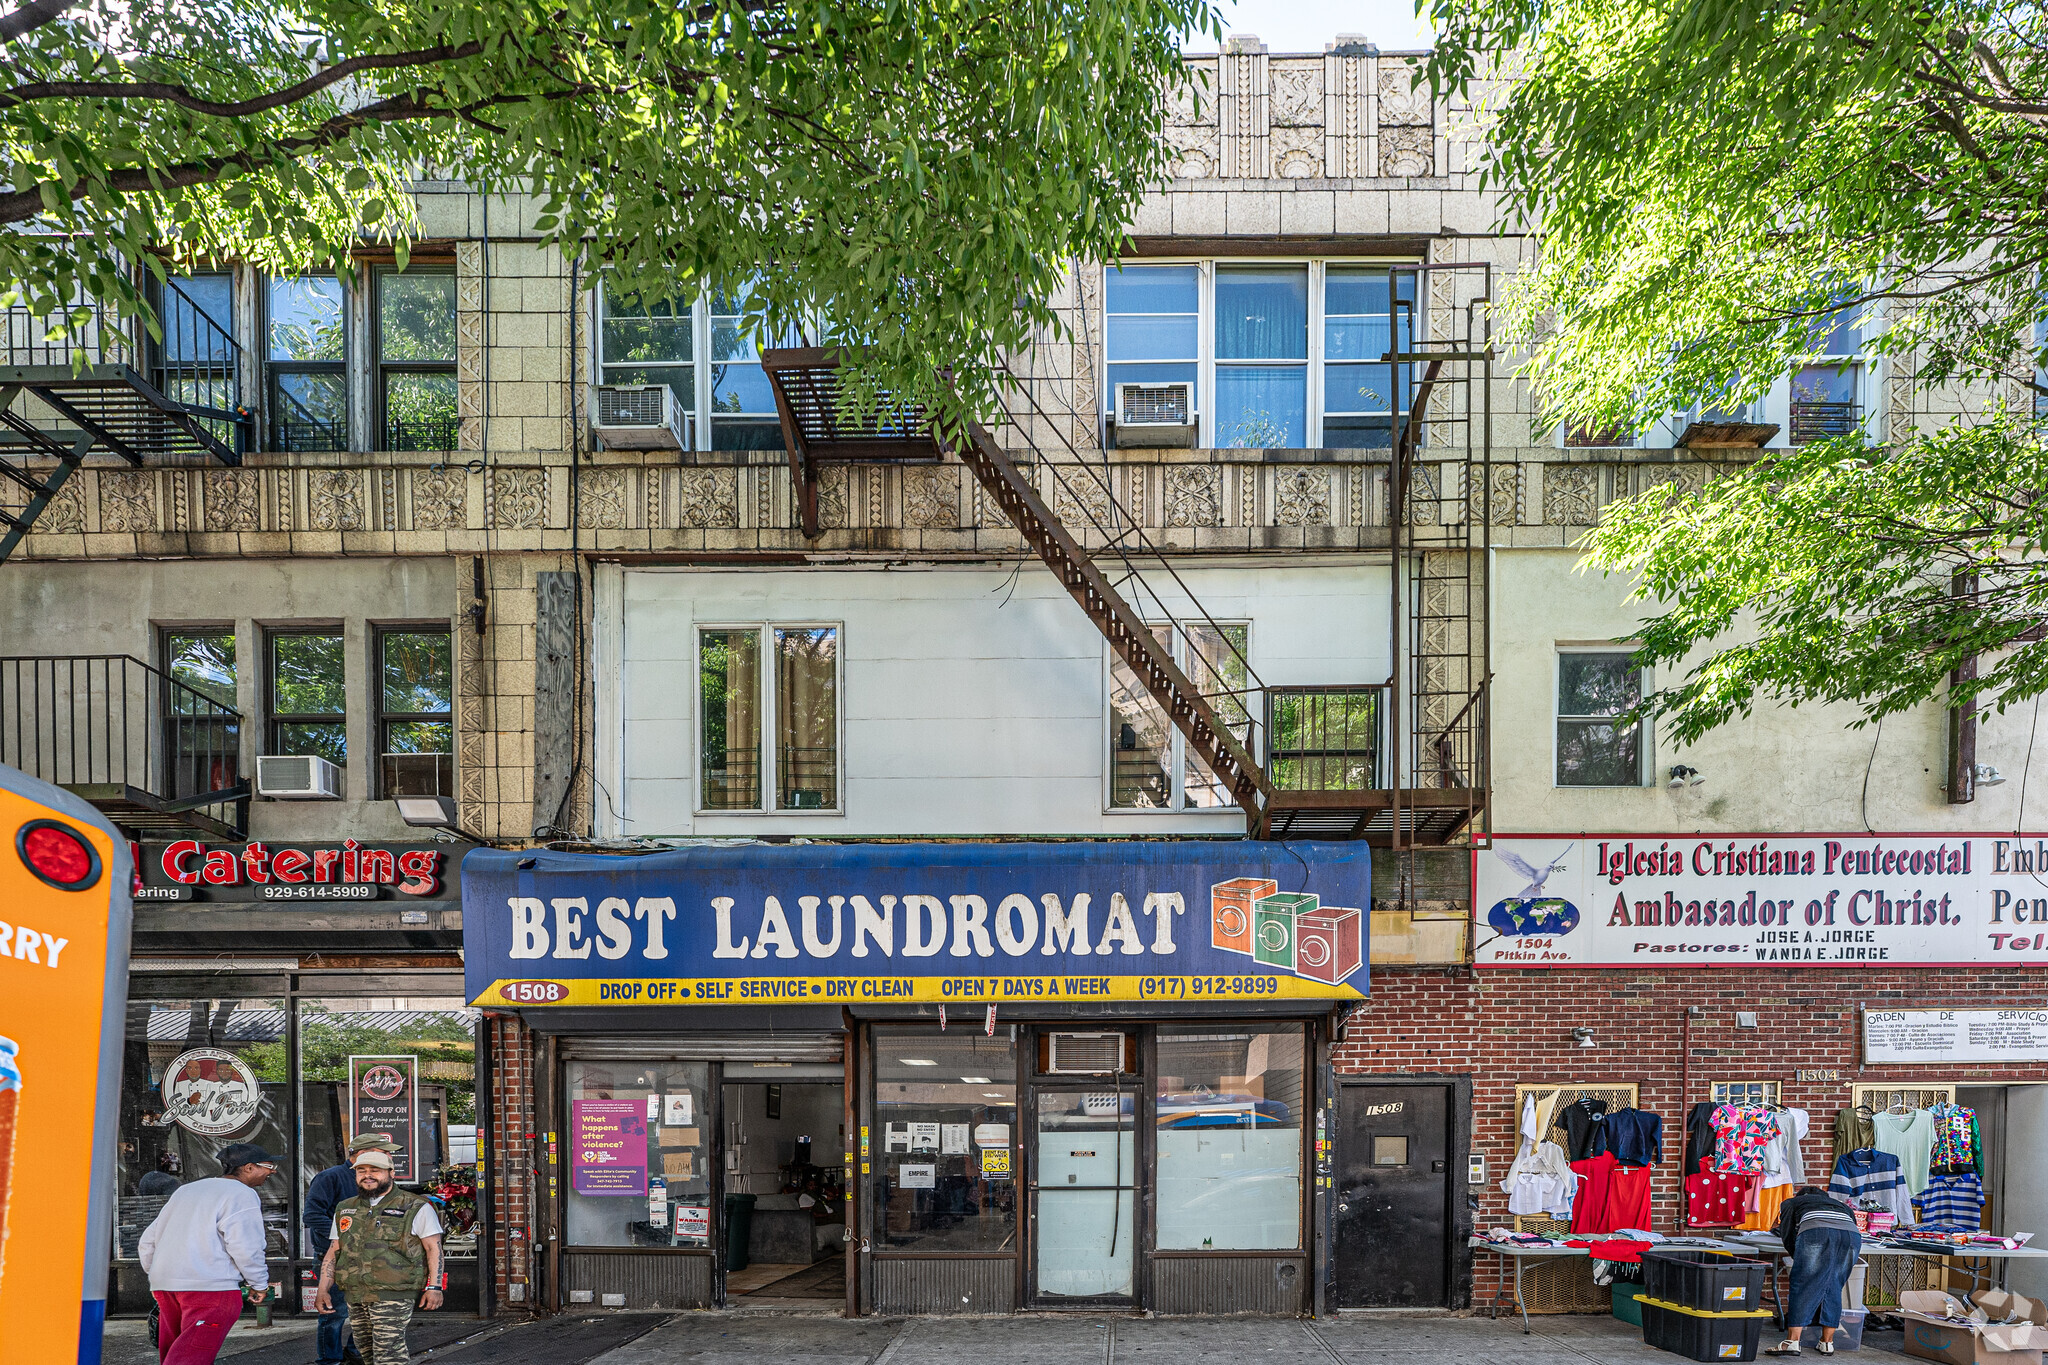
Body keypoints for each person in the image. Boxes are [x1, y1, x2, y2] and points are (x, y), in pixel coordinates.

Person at [137, 1142, 277, 1365]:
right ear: (248, 1167)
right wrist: (259, 1284)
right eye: (268, 1166)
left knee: (174, 1351)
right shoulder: (242, 1194)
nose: (272, 1171)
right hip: (210, 1287)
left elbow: (148, 1240)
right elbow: (246, 1246)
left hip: (166, 1285)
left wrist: (156, 1274)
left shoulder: (186, 1190)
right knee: (192, 1356)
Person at [313, 1148, 444, 1365]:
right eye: (361, 1171)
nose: (368, 1175)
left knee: (389, 1354)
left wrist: (435, 1287)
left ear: (392, 1173)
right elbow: (334, 1250)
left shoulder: (414, 1206)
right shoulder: (345, 1208)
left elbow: (434, 1248)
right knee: (367, 1354)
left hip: (394, 1293)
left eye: (375, 1170)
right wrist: (323, 1290)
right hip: (355, 1293)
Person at [305, 1136, 399, 1365]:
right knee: (334, 1314)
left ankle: (356, 1352)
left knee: (371, 1311)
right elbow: (312, 1215)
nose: (389, 1156)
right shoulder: (331, 1177)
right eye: (383, 1151)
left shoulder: (380, 1178)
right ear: (361, 1153)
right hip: (337, 1257)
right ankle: (330, 1360)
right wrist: (344, 1236)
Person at [1766, 1184, 1864, 1357]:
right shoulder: (1841, 1205)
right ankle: (1827, 1343)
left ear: (1801, 1196)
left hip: (1817, 1231)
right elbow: (1851, 1227)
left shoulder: (1792, 1203)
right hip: (1851, 1237)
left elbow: (1787, 1234)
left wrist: (1800, 1259)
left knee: (1803, 1284)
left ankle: (1792, 1342)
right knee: (1834, 1284)